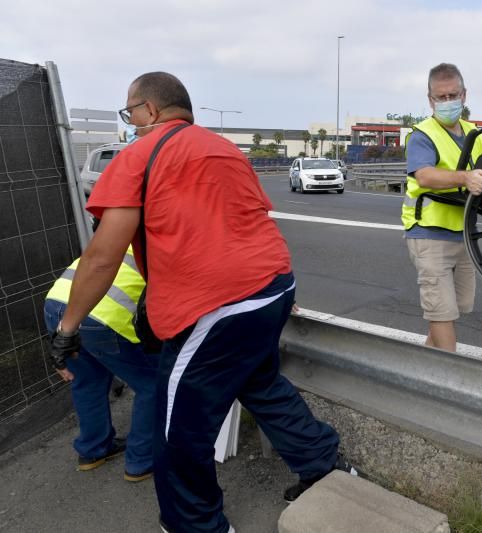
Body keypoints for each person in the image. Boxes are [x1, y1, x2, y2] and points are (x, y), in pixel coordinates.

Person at [49, 72, 352, 533]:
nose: (130, 122)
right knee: (261, 384)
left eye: (130, 112)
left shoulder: (138, 155)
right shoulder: (225, 150)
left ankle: (197, 525)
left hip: (216, 307)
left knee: (178, 431)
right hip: (272, 287)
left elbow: (102, 257)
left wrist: (68, 329)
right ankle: (328, 470)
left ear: (149, 110)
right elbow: (251, 222)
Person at [44, 246, 158, 482]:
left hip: (56, 305)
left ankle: (93, 450)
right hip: (101, 317)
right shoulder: (162, 244)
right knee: (152, 385)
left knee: (87, 382)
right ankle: (141, 461)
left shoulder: (119, 233)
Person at [402, 63, 482, 352]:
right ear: (430, 99)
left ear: (464, 95)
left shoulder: (475, 134)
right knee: (442, 312)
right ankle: (450, 381)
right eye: (441, 97)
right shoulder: (422, 135)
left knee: (456, 307)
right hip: (428, 234)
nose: (447, 102)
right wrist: (465, 178)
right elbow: (424, 175)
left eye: (453, 95)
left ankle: (421, 369)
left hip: (462, 234)